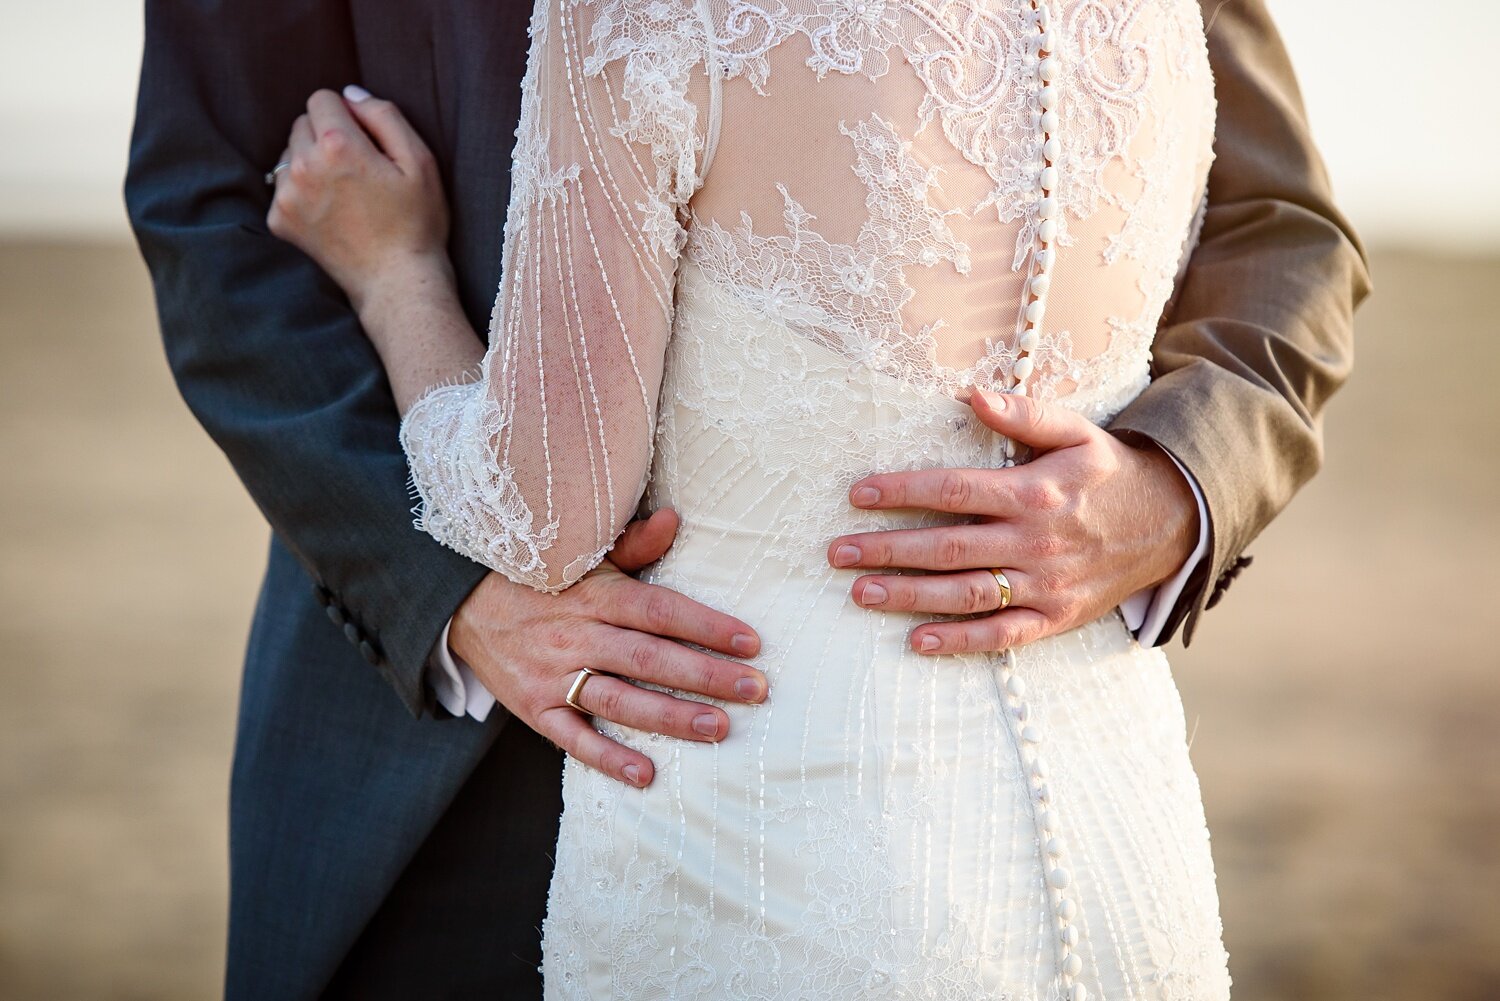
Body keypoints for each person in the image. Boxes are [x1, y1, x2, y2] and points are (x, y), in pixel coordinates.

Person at [124, 1, 1367, 998]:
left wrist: (1171, 487)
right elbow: (212, 201)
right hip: (434, 752)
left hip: (928, 749)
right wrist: (460, 598)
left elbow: (1283, 224)